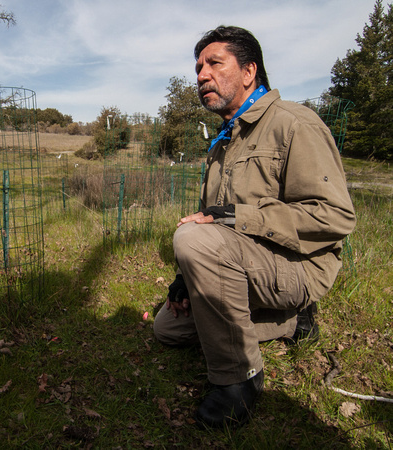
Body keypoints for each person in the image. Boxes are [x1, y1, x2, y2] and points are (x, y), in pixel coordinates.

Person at [153, 26, 356, 429]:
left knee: (192, 238)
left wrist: (236, 216)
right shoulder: (222, 144)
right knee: (168, 329)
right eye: (197, 67)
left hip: (300, 267)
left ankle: (238, 378)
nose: (201, 75)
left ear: (249, 72)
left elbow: (335, 217)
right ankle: (291, 322)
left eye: (214, 63)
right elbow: (212, 225)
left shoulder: (294, 125)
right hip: (243, 264)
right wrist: (184, 278)